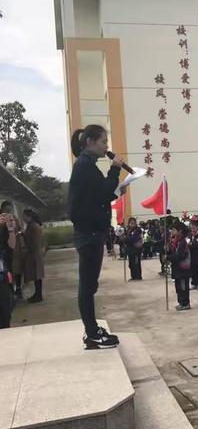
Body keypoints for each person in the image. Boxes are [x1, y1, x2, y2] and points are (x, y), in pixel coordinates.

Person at [68, 124, 125, 349]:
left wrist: (117, 189)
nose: (106, 147)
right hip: (88, 234)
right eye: (103, 142)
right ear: (90, 142)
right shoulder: (84, 166)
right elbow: (101, 192)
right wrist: (115, 170)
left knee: (90, 285)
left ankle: (92, 329)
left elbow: (99, 195)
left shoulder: (87, 166)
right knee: (87, 286)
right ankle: (91, 333)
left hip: (92, 233)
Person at [167, 221, 192, 311]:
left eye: (174, 230)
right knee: (178, 287)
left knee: (183, 287)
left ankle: (185, 303)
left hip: (183, 269)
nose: (172, 232)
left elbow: (180, 255)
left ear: (180, 231)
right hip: (177, 268)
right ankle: (181, 302)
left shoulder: (182, 242)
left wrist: (169, 257)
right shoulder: (175, 241)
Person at [22, 210, 45, 303]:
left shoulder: (32, 226)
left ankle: (38, 295)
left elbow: (34, 241)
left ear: (29, 216)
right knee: (37, 276)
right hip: (36, 253)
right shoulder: (34, 225)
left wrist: (28, 249)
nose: (23, 218)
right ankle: (37, 294)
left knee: (37, 276)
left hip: (34, 254)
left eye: (24, 216)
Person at [0, 213, 16, 328]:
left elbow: (12, 245)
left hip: (2, 275)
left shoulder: (4, 228)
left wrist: (10, 229)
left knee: (6, 309)